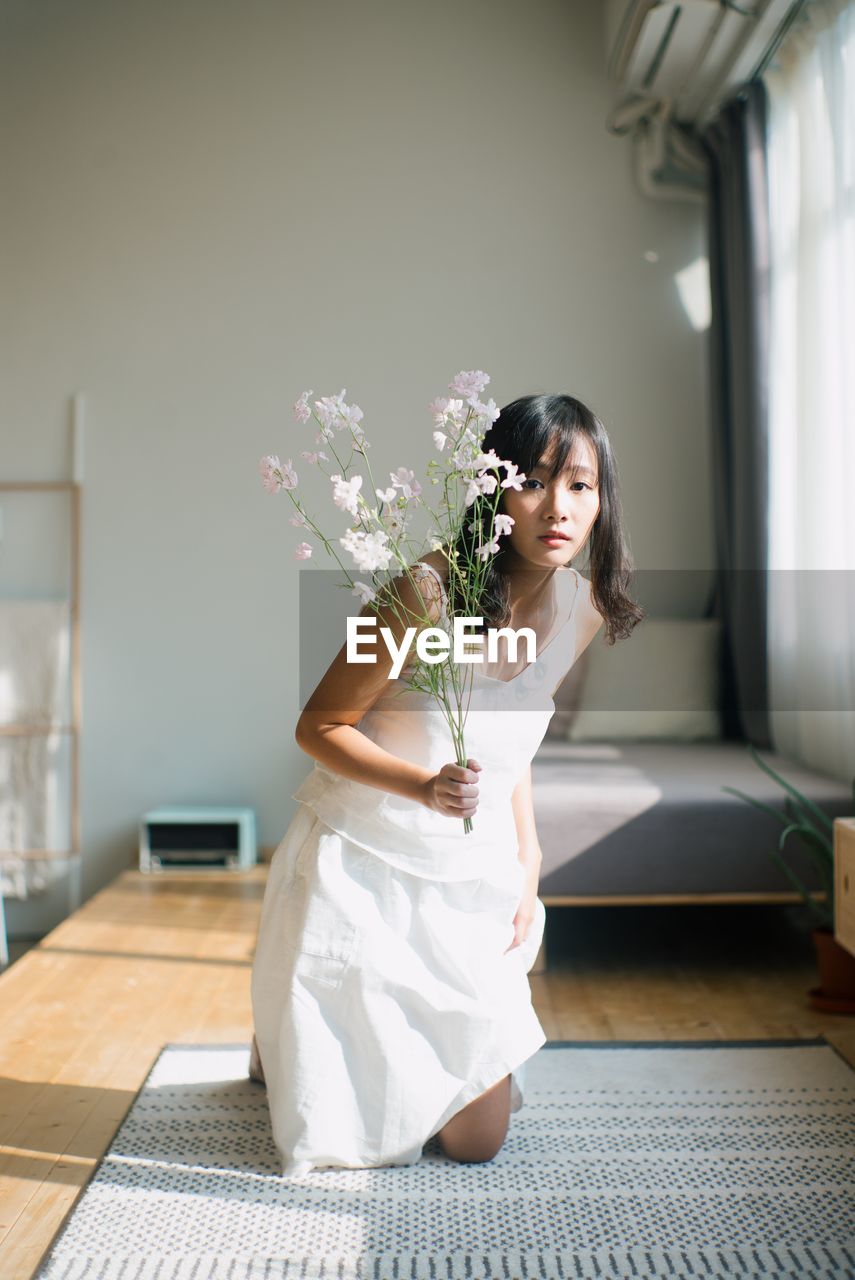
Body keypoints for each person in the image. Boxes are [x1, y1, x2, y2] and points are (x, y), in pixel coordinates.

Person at [249, 392, 643, 1176]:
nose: (556, 508)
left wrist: (527, 863)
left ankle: (298, 1035)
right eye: (532, 481)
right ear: (491, 491)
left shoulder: (584, 610)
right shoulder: (422, 588)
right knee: (351, 1137)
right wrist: (424, 787)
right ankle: (284, 1030)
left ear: (602, 501)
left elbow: (511, 741)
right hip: (363, 866)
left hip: (472, 874)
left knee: (476, 1140)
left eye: (579, 485)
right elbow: (316, 727)